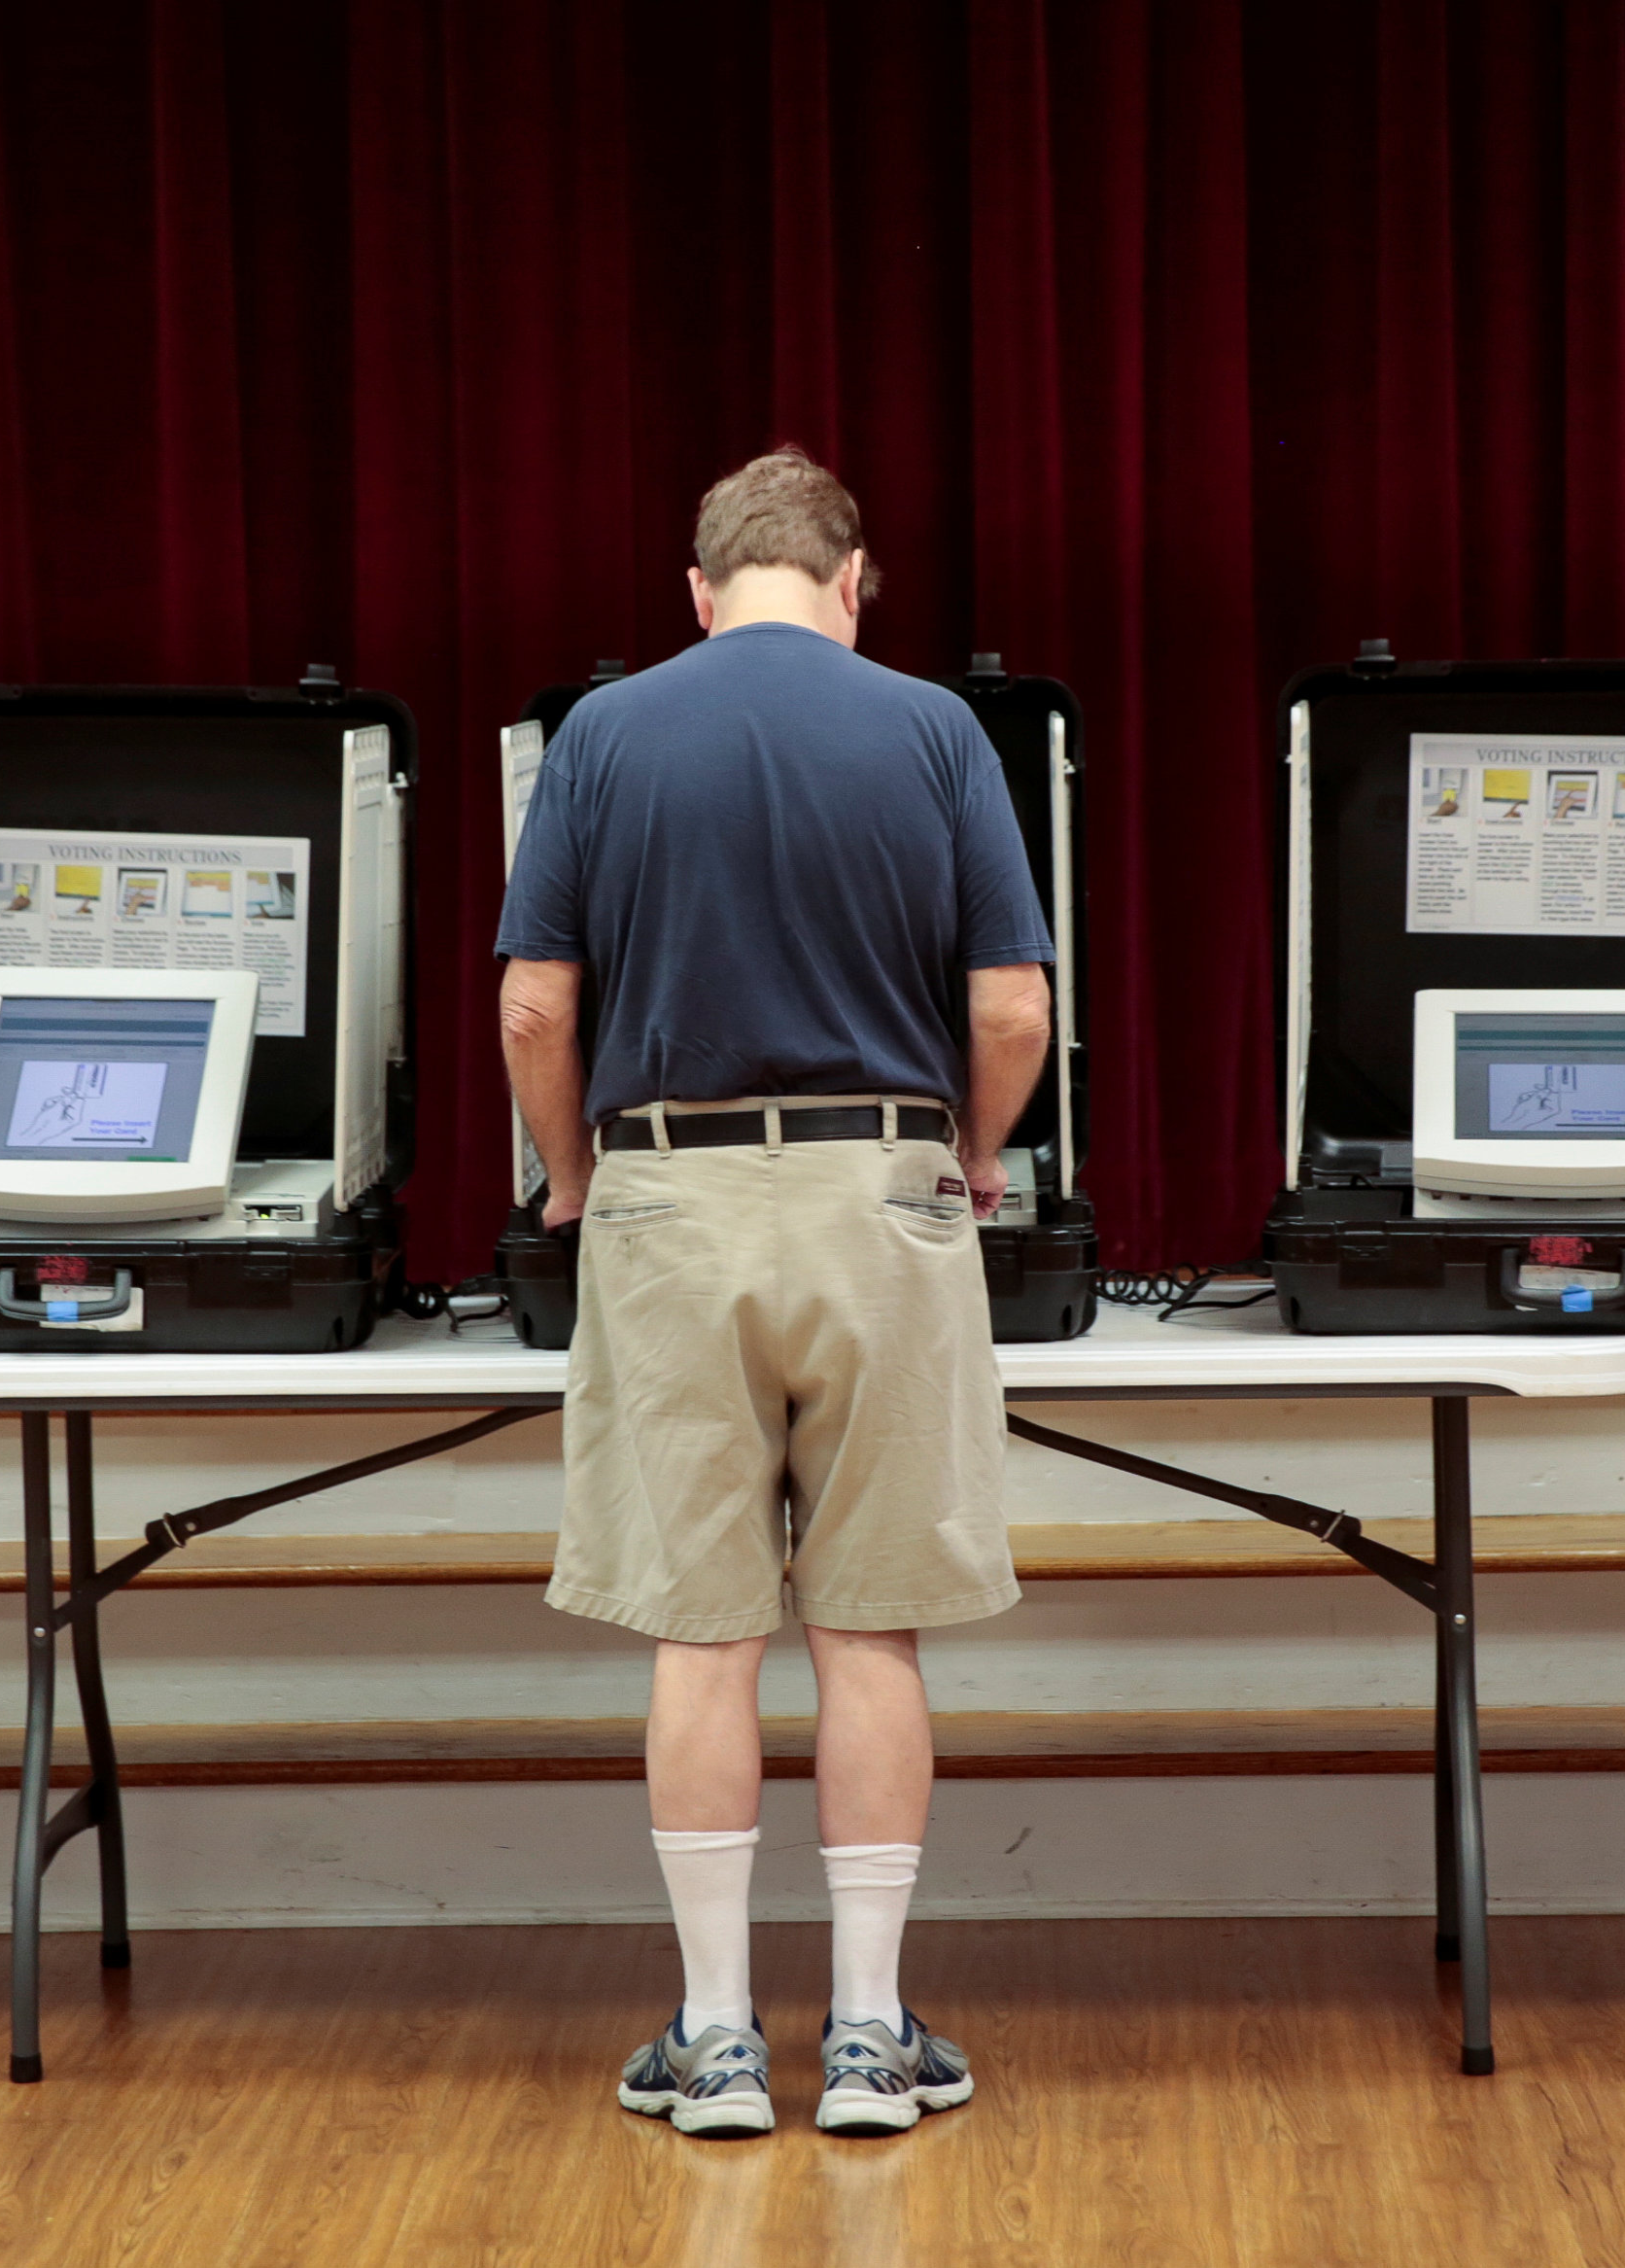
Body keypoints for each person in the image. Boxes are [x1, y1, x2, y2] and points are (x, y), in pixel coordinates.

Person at [495, 446, 1055, 2138]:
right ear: (854, 579)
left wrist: (580, 1179)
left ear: (698, 590)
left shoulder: (603, 734)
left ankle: (721, 2038)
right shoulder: (935, 731)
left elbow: (534, 1008)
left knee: (702, 1632)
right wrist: (962, 1151)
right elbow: (1015, 1009)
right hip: (883, 1189)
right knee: (865, 1623)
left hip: (668, 1195)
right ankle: (872, 2038)